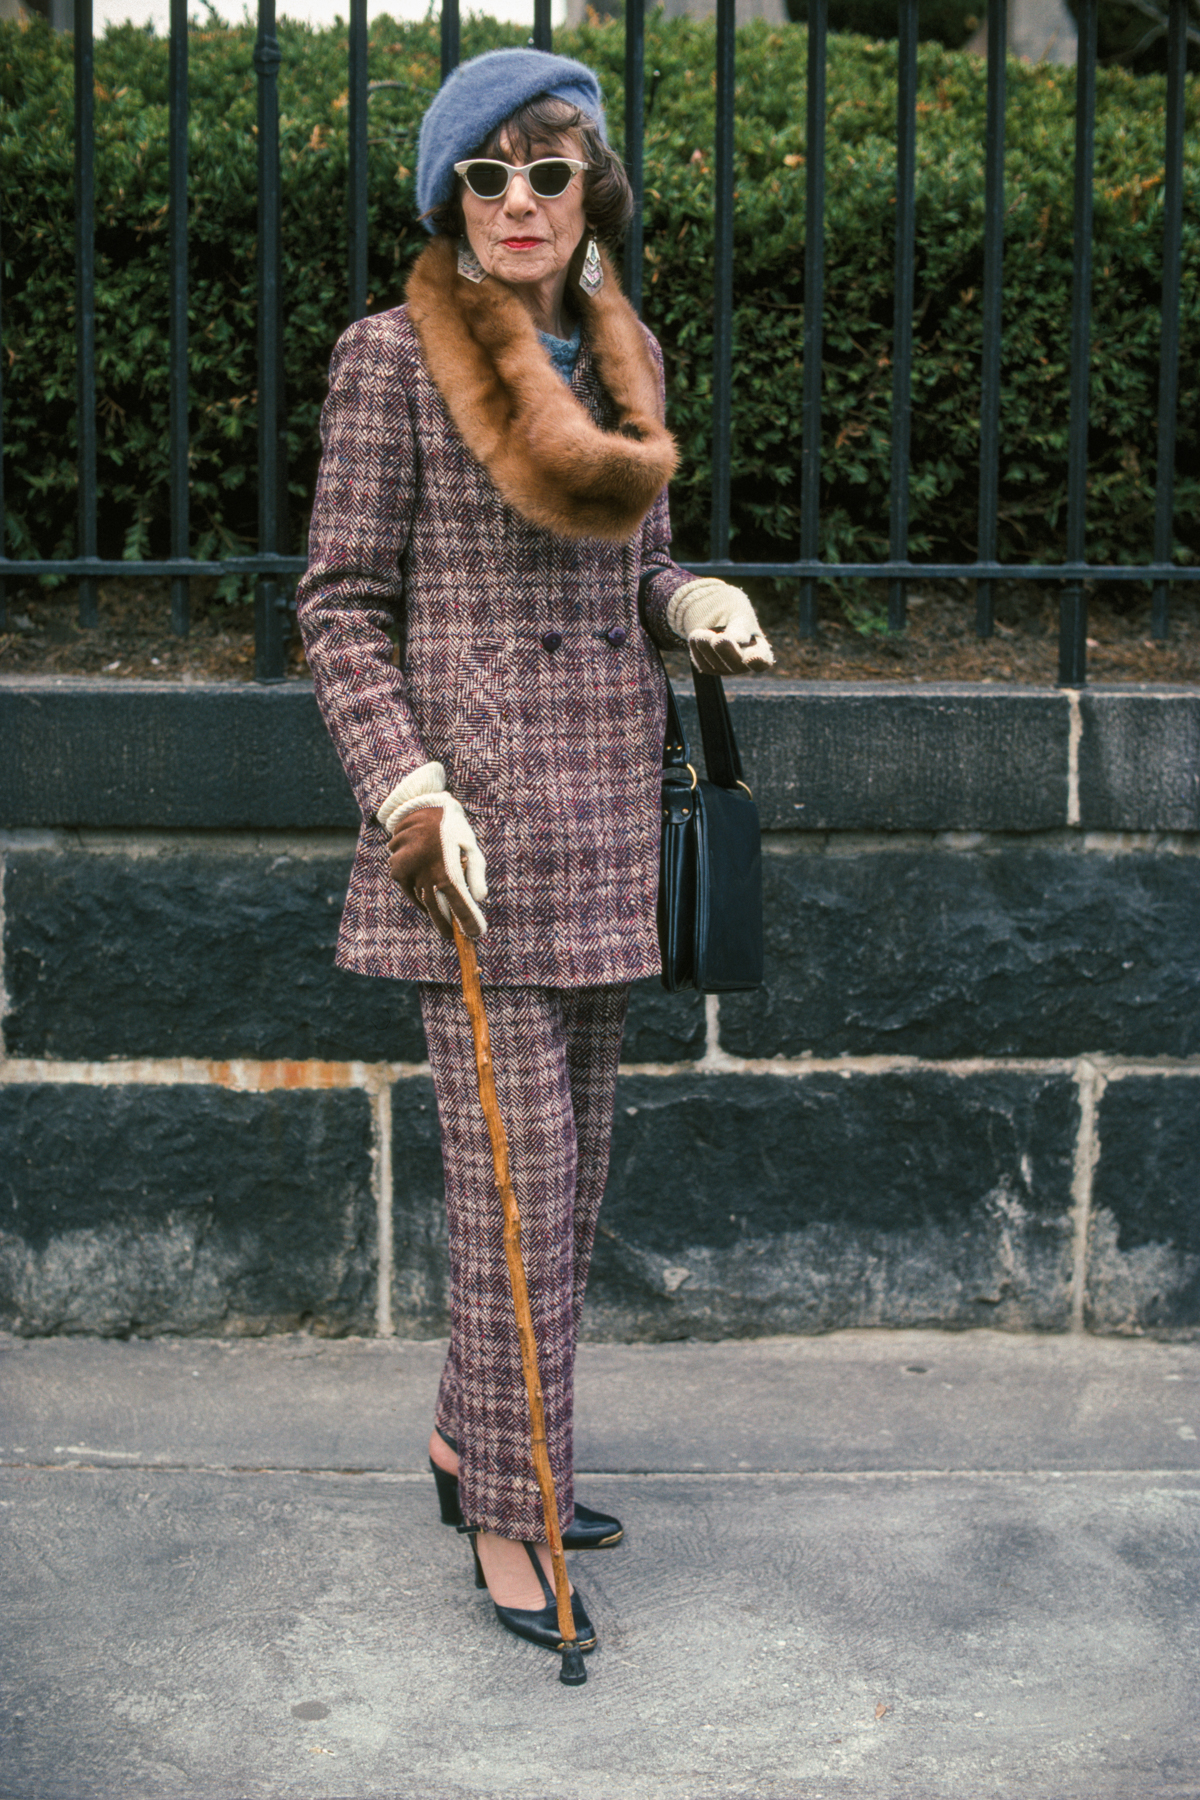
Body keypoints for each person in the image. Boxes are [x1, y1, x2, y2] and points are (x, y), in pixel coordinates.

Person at [296, 46, 774, 1658]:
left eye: (547, 172)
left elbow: (636, 571)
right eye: (484, 177)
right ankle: (511, 1508)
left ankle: (477, 1437)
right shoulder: (390, 362)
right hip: (474, 841)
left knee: (567, 1196)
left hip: (605, 826)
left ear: (593, 192)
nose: (517, 202)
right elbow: (341, 610)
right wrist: (408, 789)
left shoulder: (622, 359)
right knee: (514, 1189)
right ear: (451, 200)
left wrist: (691, 604)